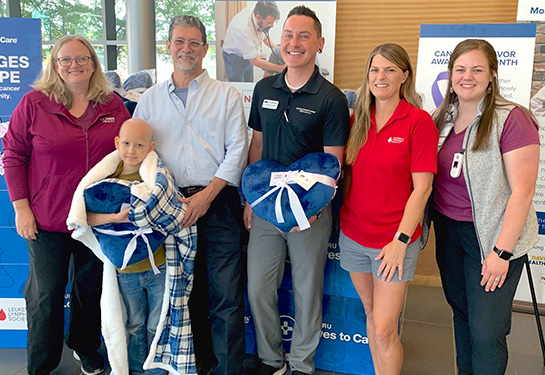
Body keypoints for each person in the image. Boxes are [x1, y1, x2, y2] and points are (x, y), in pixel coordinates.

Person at [3, 35, 131, 375]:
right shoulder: (34, 103)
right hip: (46, 218)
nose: (74, 65)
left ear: (93, 63)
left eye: (82, 58)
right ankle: (41, 363)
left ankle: (84, 345)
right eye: (65, 59)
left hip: (95, 217)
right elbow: (13, 155)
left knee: (89, 288)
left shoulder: (112, 105)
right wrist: (21, 208)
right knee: (45, 295)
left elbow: (126, 154)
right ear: (54, 65)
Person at [133, 15, 248, 375]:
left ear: (205, 49)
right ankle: (196, 366)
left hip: (218, 202)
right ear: (168, 47)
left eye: (194, 42)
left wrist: (207, 196)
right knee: (184, 294)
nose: (186, 49)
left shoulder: (226, 95)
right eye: (179, 41)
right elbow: (138, 153)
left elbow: (238, 149)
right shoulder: (149, 100)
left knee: (225, 295)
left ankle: (227, 369)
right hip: (169, 206)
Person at [244, 6, 350, 375]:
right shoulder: (262, 89)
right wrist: (249, 199)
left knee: (307, 290)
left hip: (311, 212)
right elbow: (256, 147)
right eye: (288, 35)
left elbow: (333, 163)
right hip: (265, 209)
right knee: (258, 287)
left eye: (304, 36)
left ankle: (302, 364)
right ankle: (272, 359)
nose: (294, 43)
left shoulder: (332, 99)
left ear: (319, 44)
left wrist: (312, 208)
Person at [431, 39, 539, 375]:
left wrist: (502, 252)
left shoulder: (512, 119)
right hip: (449, 233)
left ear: (492, 74)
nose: (468, 77)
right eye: (460, 69)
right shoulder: (441, 119)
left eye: (477, 69)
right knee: (462, 316)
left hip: (493, 239)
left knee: (486, 331)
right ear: (450, 75)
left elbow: (522, 191)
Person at [339, 43, 439, 375]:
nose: (380, 76)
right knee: (370, 313)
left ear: (404, 76)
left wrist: (400, 239)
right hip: (353, 234)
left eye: (390, 70)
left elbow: (422, 188)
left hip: (393, 241)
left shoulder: (418, 121)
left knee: (384, 328)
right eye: (375, 69)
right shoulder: (356, 120)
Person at [84, 118, 166, 375]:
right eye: (127, 143)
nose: (132, 150)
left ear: (150, 147)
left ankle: (155, 370)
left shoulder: (158, 177)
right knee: (134, 323)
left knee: (158, 323)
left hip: (158, 266)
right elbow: (84, 217)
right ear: (117, 143)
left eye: (139, 145)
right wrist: (114, 218)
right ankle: (136, 370)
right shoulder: (105, 178)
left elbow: (169, 210)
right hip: (126, 271)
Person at [222, 1, 285, 82]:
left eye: (273, 22)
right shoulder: (241, 29)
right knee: (239, 87)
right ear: (258, 17)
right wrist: (280, 68)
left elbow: (264, 38)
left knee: (249, 82)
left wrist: (276, 49)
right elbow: (255, 61)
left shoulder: (256, 13)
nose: (272, 26)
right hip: (234, 58)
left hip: (249, 55)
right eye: (269, 23)